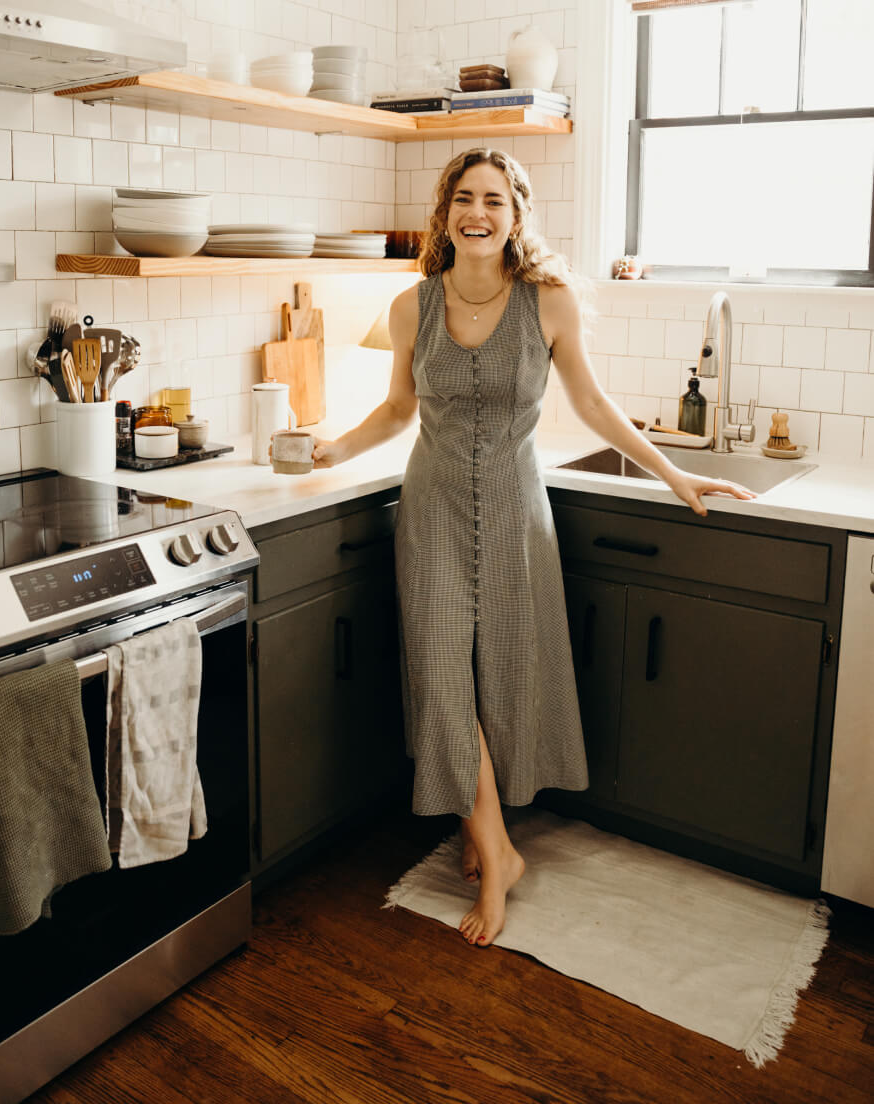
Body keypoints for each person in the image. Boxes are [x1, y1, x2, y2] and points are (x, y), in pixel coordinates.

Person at [310, 148, 754, 948]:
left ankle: (489, 839)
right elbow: (397, 410)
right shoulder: (412, 306)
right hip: (432, 513)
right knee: (445, 677)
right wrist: (334, 449)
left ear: (516, 216)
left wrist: (675, 477)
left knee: (507, 676)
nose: (478, 213)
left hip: (518, 512)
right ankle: (497, 851)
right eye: (463, 199)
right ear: (445, 213)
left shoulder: (546, 301)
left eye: (494, 200)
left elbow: (591, 402)